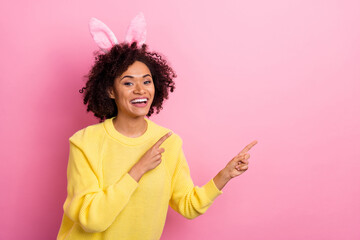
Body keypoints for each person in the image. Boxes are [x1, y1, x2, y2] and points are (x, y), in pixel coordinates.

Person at [57, 14, 257, 240]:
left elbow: (188, 205)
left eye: (146, 81)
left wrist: (225, 175)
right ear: (111, 91)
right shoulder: (84, 143)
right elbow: (92, 221)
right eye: (128, 83)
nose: (140, 89)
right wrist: (137, 170)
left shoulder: (169, 142)